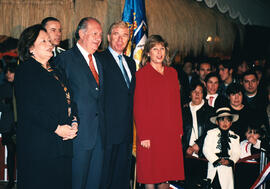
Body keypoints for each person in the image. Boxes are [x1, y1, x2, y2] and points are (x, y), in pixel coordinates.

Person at [15, 24, 78, 189]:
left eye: (50, 41)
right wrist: (57, 128)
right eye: (43, 41)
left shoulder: (58, 70)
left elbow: (71, 99)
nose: (50, 44)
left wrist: (74, 122)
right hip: (39, 147)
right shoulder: (25, 71)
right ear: (30, 48)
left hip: (63, 145)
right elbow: (31, 108)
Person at [54, 17, 105, 189]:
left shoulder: (99, 61)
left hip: (99, 135)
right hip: (77, 135)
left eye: (100, 34)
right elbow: (60, 98)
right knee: (76, 183)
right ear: (81, 34)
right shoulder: (65, 60)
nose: (99, 38)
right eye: (95, 33)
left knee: (94, 182)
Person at [134, 35, 185, 189]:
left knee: (166, 175)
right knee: (150, 174)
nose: (159, 52)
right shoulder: (141, 74)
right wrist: (144, 135)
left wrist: (179, 129)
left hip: (170, 132)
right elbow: (139, 106)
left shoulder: (172, 73)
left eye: (162, 48)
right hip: (150, 133)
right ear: (148, 52)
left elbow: (177, 104)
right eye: (155, 49)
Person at [96, 21, 136, 189]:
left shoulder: (131, 63)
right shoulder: (99, 59)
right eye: (116, 34)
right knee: (105, 178)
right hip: (107, 132)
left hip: (126, 132)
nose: (120, 39)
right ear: (108, 37)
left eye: (125, 35)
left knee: (121, 178)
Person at [182, 81, 214, 189]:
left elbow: (211, 131)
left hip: (204, 154)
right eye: (194, 91)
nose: (197, 94)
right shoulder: (183, 110)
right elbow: (178, 132)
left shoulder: (210, 111)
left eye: (200, 92)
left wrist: (198, 145)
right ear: (190, 94)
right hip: (186, 155)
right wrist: (186, 148)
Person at [203, 107, 240, 188]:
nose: (225, 122)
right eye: (222, 120)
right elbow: (206, 149)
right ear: (217, 122)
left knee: (226, 185)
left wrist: (230, 161)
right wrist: (216, 160)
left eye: (228, 120)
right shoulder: (211, 134)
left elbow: (236, 152)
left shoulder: (235, 136)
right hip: (214, 165)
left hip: (227, 167)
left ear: (231, 123)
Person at [0, 62, 17, 189]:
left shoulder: (22, 86)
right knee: (11, 154)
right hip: (8, 126)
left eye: (11, 71)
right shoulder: (3, 87)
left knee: (22, 155)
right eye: (7, 72)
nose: (8, 74)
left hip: (20, 126)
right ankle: (11, 181)